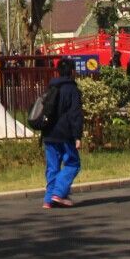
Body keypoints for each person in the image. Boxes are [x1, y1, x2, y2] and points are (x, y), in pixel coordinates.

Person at [41, 58, 85, 208]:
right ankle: (58, 193)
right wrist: (77, 136)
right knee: (73, 163)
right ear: (72, 71)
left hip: (48, 133)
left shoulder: (51, 87)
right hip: (65, 134)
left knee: (53, 167)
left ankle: (49, 200)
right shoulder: (72, 89)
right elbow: (75, 114)